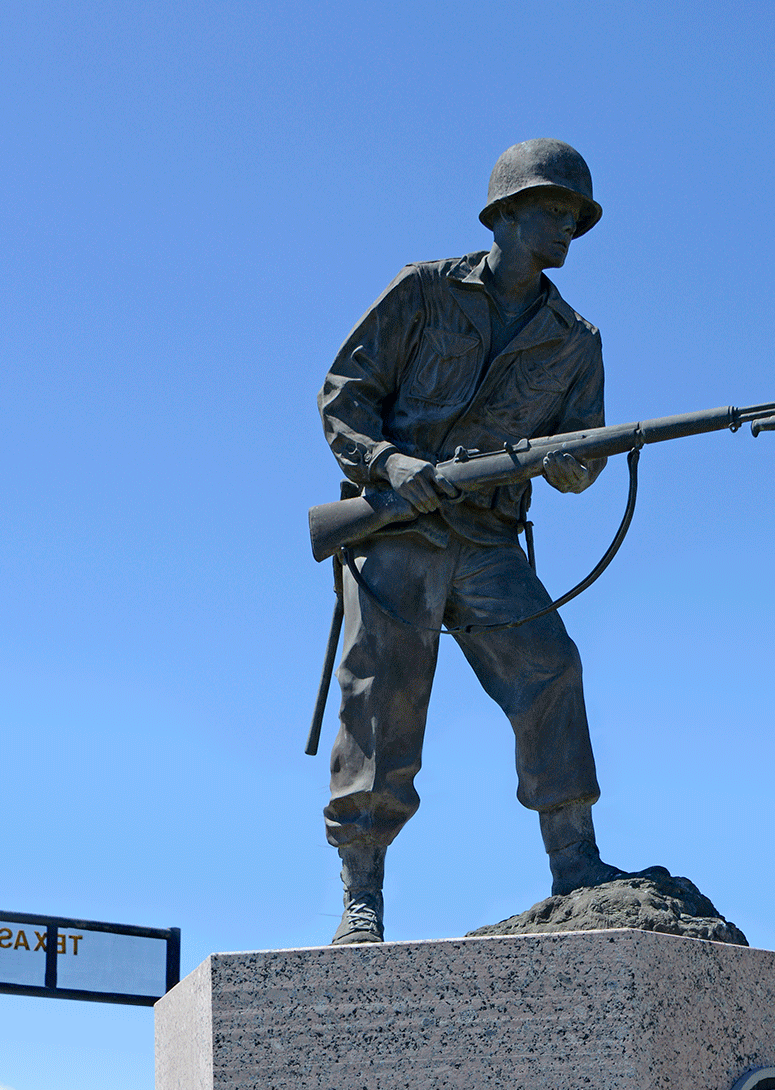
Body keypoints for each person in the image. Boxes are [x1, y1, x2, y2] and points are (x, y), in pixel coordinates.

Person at [318, 139, 628, 945]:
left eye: (574, 218)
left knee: (552, 668)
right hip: (399, 528)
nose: (566, 230)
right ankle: (363, 896)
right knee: (382, 702)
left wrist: (581, 456)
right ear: (505, 213)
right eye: (553, 212)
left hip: (488, 540)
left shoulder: (574, 340)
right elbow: (345, 396)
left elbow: (578, 473)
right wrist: (392, 463)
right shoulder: (424, 292)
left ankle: (576, 862)